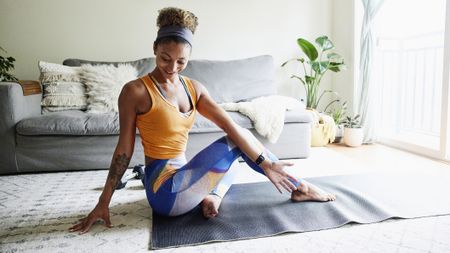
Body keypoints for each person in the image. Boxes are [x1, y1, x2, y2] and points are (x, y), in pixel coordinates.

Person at [69, 7, 336, 234]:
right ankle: (299, 188)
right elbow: (124, 150)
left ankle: (212, 197)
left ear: (189, 57)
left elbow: (232, 125)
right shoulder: (135, 91)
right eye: (165, 59)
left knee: (239, 153)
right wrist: (104, 201)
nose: (172, 68)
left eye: (181, 61)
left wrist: (265, 163)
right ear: (154, 49)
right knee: (237, 145)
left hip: (183, 180)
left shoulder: (194, 89)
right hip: (165, 192)